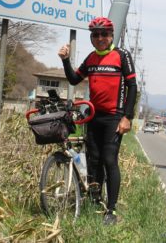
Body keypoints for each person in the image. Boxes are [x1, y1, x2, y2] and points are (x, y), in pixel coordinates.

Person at [58, 17, 137, 225]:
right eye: (95, 35)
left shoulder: (122, 55)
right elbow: (75, 79)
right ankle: (95, 200)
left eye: (104, 34)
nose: (100, 38)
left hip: (114, 117)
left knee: (109, 160)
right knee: (94, 161)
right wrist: (65, 60)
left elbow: (133, 87)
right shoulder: (91, 58)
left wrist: (127, 117)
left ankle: (110, 211)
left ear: (111, 36)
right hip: (93, 116)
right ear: (92, 38)